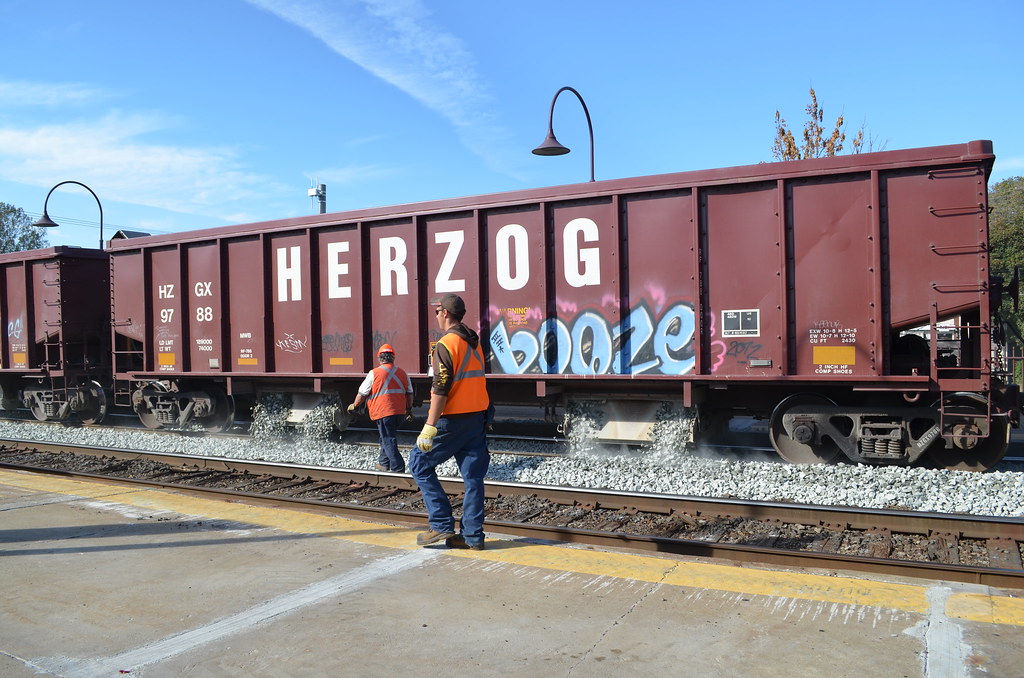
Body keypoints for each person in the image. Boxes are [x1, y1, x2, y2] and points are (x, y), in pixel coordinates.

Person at [411, 293, 491, 550]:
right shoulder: (473, 343)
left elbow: (441, 387)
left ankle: (441, 523)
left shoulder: (446, 344)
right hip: (476, 418)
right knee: (473, 478)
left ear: (445, 313)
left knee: (418, 463)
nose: (435, 315)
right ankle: (472, 537)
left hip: (452, 421)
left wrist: (429, 426)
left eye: (437, 311)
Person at [348, 344, 413, 473]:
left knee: (388, 438)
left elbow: (362, 393)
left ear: (380, 358)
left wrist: (354, 405)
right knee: (386, 436)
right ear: (393, 358)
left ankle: (398, 467)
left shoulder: (374, 373)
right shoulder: (402, 373)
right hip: (399, 412)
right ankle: (383, 463)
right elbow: (409, 393)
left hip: (383, 411)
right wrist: (409, 409)